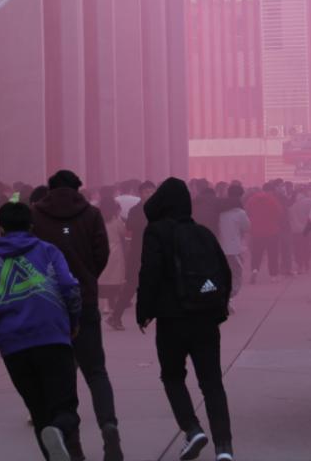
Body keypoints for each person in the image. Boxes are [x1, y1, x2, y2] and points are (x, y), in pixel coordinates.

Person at [0, 201, 84, 461]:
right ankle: (60, 430)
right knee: (65, 408)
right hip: (53, 337)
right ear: (31, 226)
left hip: (14, 345)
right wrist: (73, 321)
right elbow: (69, 287)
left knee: (39, 411)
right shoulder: (48, 251)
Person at [137, 177, 235, 461]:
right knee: (212, 383)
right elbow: (224, 273)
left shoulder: (156, 232)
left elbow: (149, 273)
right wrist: (219, 309)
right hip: (205, 319)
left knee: (172, 376)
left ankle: (192, 429)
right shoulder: (203, 233)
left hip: (172, 319)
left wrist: (144, 311)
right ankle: (224, 448)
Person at [32, 170, 123, 461]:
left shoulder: (36, 215)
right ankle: (109, 427)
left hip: (49, 305)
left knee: (62, 377)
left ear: (50, 188)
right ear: (77, 188)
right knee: (96, 371)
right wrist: (86, 277)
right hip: (84, 301)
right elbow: (101, 254)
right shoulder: (91, 214)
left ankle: (74, 448)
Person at [106, 180, 156, 331]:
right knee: (131, 286)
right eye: (146, 192)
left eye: (152, 191)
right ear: (141, 194)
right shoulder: (136, 210)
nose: (150, 194)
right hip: (138, 253)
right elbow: (130, 226)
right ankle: (115, 317)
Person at [216, 183, 250, 298]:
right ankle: (228, 297)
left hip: (220, 248)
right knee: (236, 274)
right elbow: (247, 227)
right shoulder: (240, 213)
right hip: (233, 249)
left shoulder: (219, 211)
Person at [97, 188, 128, 317]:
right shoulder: (116, 219)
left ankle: (104, 304)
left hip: (100, 249)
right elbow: (123, 233)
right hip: (115, 251)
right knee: (114, 280)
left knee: (102, 278)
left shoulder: (97, 219)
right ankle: (112, 303)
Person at [244, 185, 283, 284]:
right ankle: (273, 276)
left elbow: (246, 213)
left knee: (256, 254)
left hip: (256, 232)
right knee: (272, 254)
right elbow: (279, 213)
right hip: (272, 231)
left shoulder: (252, 200)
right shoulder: (272, 200)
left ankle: (254, 270)